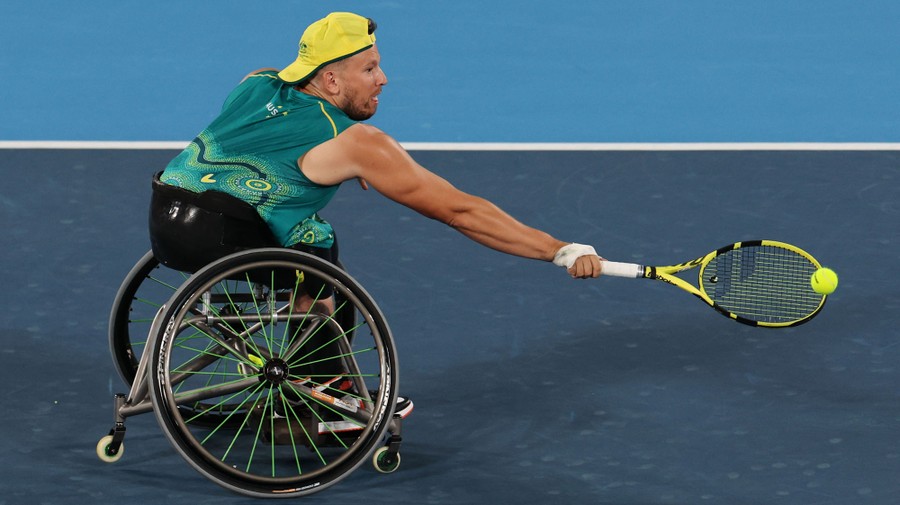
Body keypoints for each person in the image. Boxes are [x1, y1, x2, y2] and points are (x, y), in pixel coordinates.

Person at [156, 12, 602, 414]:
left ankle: (316, 376)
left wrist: (343, 163)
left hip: (166, 220)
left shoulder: (257, 82)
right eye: (368, 69)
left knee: (310, 240)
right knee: (317, 249)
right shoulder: (358, 143)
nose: (383, 78)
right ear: (330, 80)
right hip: (220, 236)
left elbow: (272, 131)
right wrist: (558, 250)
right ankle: (325, 393)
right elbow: (460, 211)